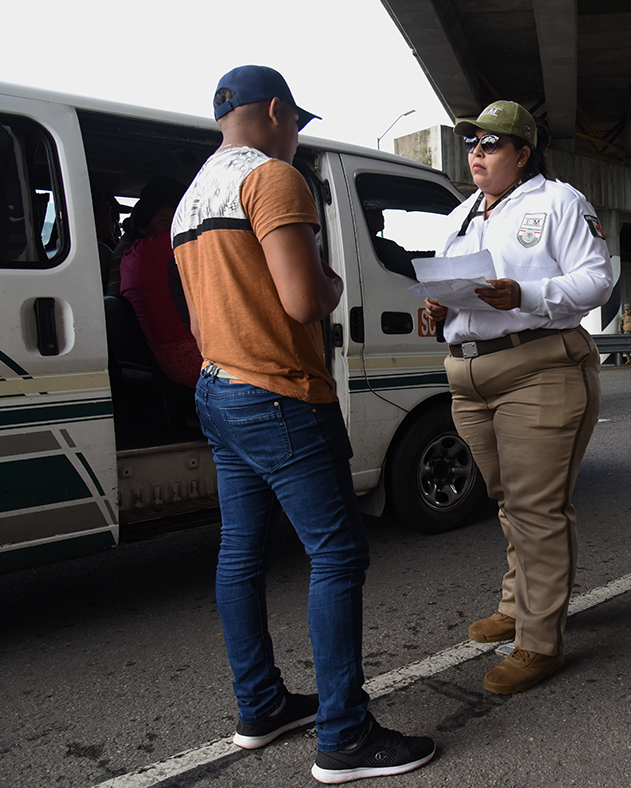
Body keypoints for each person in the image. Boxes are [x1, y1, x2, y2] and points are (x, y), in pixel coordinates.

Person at [171, 65, 434, 784]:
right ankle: (345, 737)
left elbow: (196, 320)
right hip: (280, 394)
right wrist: (336, 283)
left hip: (219, 389)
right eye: (296, 123)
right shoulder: (273, 179)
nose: (296, 135)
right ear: (278, 112)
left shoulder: (192, 197)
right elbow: (301, 301)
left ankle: (260, 708)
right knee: (339, 554)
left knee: (241, 556)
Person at [423, 100, 613, 694]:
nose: (476, 153)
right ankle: (517, 603)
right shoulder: (460, 217)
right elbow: (454, 286)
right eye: (472, 143)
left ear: (523, 154)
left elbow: (597, 279)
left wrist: (523, 293)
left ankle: (539, 641)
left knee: (537, 508)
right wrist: (439, 305)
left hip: (538, 368)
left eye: (491, 144)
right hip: (470, 373)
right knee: (508, 499)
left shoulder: (558, 202)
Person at [119, 177, 202, 389]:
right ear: (143, 226)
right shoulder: (165, 246)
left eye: (178, 219)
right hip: (192, 359)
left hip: (169, 361)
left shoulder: (130, 253)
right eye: (164, 221)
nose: (174, 228)